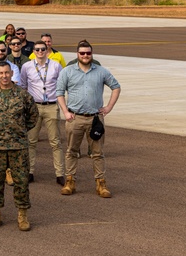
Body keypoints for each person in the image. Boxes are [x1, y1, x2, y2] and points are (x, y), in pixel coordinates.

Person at [57, 40, 121, 199]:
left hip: (95, 119)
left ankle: (101, 183)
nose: (85, 56)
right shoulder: (67, 71)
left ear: (92, 54)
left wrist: (108, 108)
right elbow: (59, 92)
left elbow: (116, 87)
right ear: (77, 54)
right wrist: (65, 111)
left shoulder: (101, 71)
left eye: (88, 53)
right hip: (74, 118)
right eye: (82, 53)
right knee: (71, 151)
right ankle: (70, 181)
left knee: (98, 153)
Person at [0, 60, 38, 230]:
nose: (4, 76)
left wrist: (18, 129)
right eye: (1, 73)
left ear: (12, 74)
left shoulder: (23, 95)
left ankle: (22, 214)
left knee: (21, 181)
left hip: (18, 145)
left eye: (7, 73)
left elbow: (32, 116)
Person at [19, 42, 65, 185]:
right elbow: (23, 86)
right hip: (34, 107)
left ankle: (59, 174)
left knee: (55, 142)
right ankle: (30, 172)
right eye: (37, 49)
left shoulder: (56, 66)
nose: (40, 52)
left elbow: (61, 84)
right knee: (31, 141)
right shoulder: (27, 67)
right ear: (33, 51)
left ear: (47, 51)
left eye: (43, 49)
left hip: (51, 105)